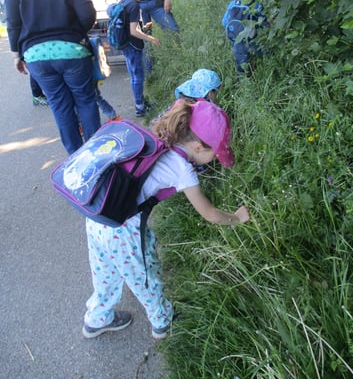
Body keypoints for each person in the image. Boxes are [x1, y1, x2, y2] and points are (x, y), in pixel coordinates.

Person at [83, 99, 250, 340]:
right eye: (217, 153)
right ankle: (163, 321)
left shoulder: (159, 139)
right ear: (200, 147)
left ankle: (97, 317)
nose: (216, 159)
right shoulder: (183, 168)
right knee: (145, 274)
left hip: (98, 213)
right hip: (124, 229)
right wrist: (237, 218)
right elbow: (210, 214)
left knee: (104, 271)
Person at [5, 0, 101, 154]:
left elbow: (12, 22)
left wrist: (17, 55)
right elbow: (88, 15)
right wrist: (73, 35)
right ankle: (97, 155)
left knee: (60, 106)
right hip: (73, 52)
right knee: (85, 101)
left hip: (37, 56)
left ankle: (77, 159)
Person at [0, 0, 48, 106]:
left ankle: (39, 92)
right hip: (22, 23)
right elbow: (14, 5)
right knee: (31, 58)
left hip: (21, 22)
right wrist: (15, 54)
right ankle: (37, 94)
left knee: (32, 58)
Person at [118, 0, 161, 117]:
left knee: (133, 75)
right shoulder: (134, 5)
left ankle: (140, 102)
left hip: (125, 45)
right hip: (133, 47)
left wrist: (144, 29)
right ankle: (140, 108)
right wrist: (152, 39)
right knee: (138, 76)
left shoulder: (123, 3)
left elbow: (131, 29)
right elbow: (133, 31)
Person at [223, 0, 269, 73]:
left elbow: (224, 22)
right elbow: (265, 22)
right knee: (262, 55)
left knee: (242, 62)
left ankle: (244, 78)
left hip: (236, 40)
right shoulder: (257, 4)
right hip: (252, 38)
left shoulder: (234, 2)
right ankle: (263, 69)